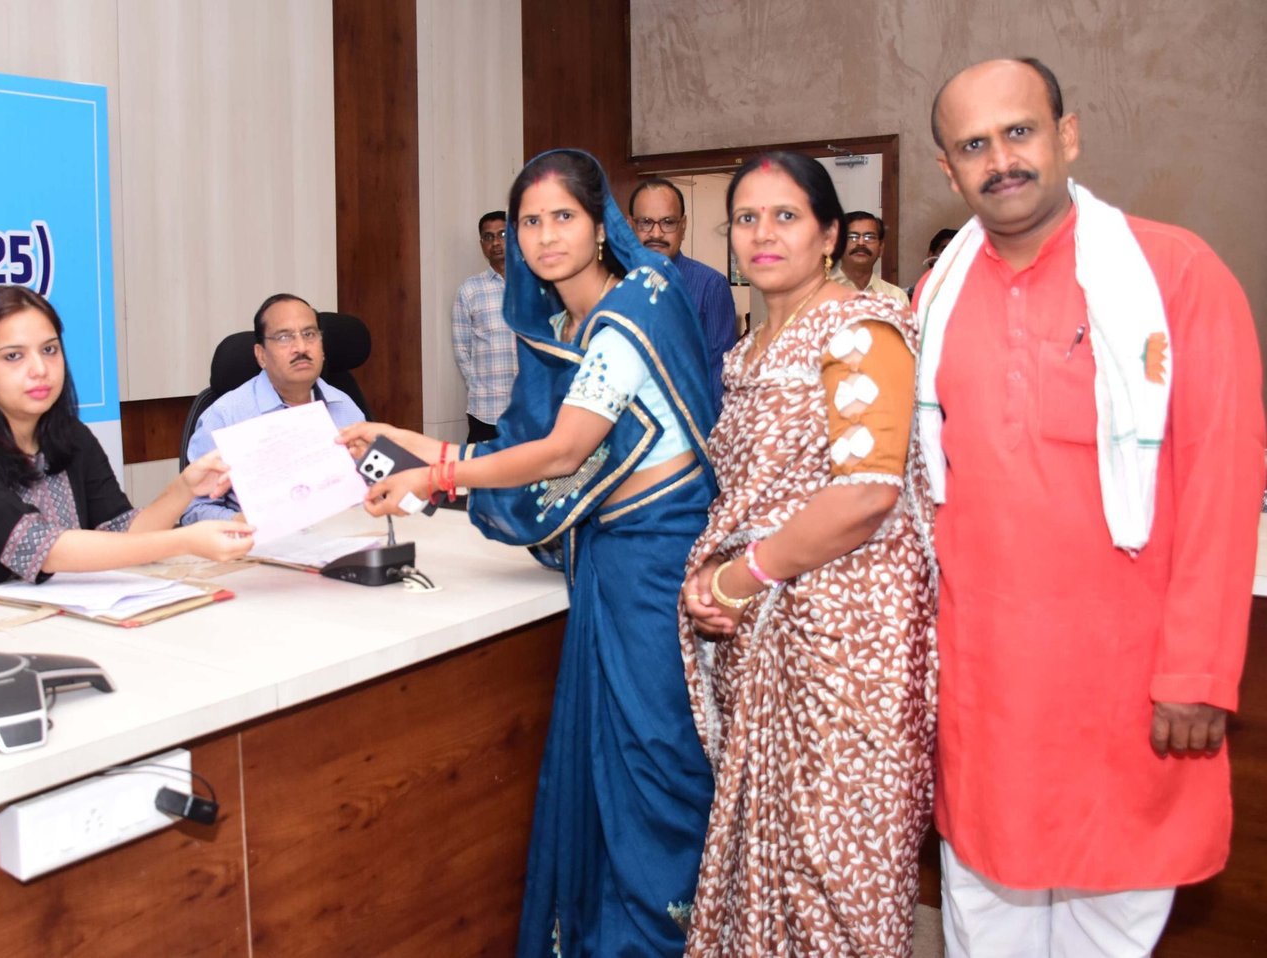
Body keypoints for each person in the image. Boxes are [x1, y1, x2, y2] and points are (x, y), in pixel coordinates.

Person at [919, 57, 1264, 957]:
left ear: (1067, 136)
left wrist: (1198, 672)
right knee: (981, 923)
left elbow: (1224, 483)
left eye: (1019, 131)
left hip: (1125, 691)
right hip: (986, 693)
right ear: (949, 172)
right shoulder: (936, 299)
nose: (1001, 160)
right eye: (973, 145)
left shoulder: (1175, 275)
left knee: (1107, 931)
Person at [341, 149, 718, 956]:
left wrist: (438, 475)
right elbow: (521, 443)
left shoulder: (634, 306)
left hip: (654, 560)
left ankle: (671, 934)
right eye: (529, 222)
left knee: (656, 752)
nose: (545, 237)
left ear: (600, 224)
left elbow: (562, 452)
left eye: (563, 218)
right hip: (610, 556)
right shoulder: (563, 329)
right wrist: (405, 440)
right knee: (610, 757)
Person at [678, 152, 937, 954]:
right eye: (746, 218)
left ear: (829, 235)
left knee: (836, 869)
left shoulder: (860, 328)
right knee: (769, 854)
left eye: (785, 216)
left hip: (848, 645)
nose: (763, 234)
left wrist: (738, 577)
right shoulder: (748, 348)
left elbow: (866, 494)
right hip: (766, 642)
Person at [0, 286, 254, 595]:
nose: (39, 369)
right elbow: (46, 550)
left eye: (49, 350)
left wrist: (185, 489)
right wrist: (184, 540)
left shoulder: (70, 436)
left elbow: (124, 533)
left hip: (33, 620)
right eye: (13, 356)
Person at [181, 293, 365, 524]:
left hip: (348, 532)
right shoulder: (225, 416)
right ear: (261, 355)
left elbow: (374, 483)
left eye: (309, 334)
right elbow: (193, 510)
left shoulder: (345, 406)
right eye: (284, 337)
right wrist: (246, 523)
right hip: (261, 541)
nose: (300, 347)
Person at [630, 177, 740, 402]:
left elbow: (720, 374)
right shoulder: (614, 283)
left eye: (668, 222)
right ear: (630, 225)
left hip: (688, 419)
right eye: (645, 222)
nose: (656, 234)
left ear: (683, 226)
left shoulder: (710, 286)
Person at [451, 210, 513, 443]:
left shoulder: (536, 284)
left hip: (530, 406)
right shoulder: (469, 290)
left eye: (503, 234)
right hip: (486, 409)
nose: (496, 242)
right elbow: (462, 350)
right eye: (488, 237)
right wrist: (477, 387)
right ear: (482, 245)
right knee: (482, 466)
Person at [831, 209, 911, 308]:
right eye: (853, 237)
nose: (861, 243)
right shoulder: (821, 291)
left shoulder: (895, 296)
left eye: (869, 237)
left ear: (881, 248)